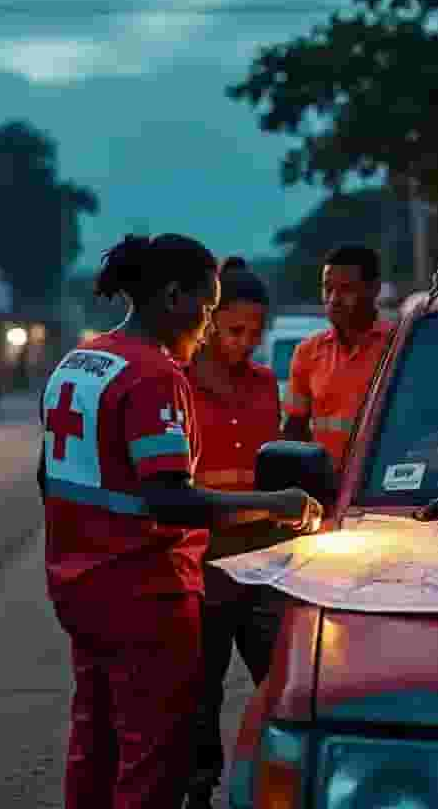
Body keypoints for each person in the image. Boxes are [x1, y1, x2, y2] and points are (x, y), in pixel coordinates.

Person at [39, 234, 323, 809]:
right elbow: (169, 499)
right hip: (143, 595)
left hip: (79, 589)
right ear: (174, 298)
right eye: (208, 307)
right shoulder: (154, 376)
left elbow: (48, 478)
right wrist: (277, 504)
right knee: (154, 760)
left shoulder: (82, 362)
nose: (209, 323)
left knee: (95, 742)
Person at [182, 257, 290, 809]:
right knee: (199, 695)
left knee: (285, 684)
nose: (245, 343)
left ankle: (287, 786)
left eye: (255, 332)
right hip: (201, 567)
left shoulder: (267, 384)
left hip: (266, 564)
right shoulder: (176, 385)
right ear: (208, 323)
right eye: (234, 331)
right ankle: (199, 789)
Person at [283, 245, 396, 471]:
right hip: (324, 492)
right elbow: (294, 431)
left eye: (346, 289)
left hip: (380, 490)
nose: (334, 299)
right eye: (328, 288)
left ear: (373, 289)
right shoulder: (306, 353)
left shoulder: (397, 345)